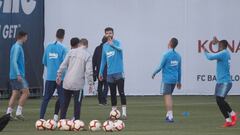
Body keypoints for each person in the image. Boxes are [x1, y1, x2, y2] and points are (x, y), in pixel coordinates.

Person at [56, 38, 94, 120]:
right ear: (86, 45)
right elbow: (89, 71)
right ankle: (76, 121)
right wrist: (91, 84)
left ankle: (62, 120)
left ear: (79, 44)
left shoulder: (71, 52)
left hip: (67, 82)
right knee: (77, 104)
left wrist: (59, 75)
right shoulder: (87, 55)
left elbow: (63, 64)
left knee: (65, 103)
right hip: (78, 83)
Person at [203, 37, 237, 127]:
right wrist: (218, 42)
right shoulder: (225, 53)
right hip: (221, 81)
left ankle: (231, 117)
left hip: (225, 81)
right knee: (219, 100)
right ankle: (230, 117)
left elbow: (210, 57)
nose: (217, 47)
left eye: (219, 45)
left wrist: (205, 50)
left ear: (222, 46)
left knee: (219, 99)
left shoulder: (223, 53)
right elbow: (221, 47)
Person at [99, 27, 127, 119]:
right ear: (105, 35)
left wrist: (113, 45)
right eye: (107, 33)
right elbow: (103, 60)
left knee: (121, 92)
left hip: (119, 72)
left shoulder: (117, 42)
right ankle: (113, 113)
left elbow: (120, 49)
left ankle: (124, 114)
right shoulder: (104, 46)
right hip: (110, 74)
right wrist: (100, 72)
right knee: (113, 93)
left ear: (113, 34)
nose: (109, 35)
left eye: (110, 33)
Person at [40, 29, 67, 121]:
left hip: (50, 77)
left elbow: (44, 62)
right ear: (63, 36)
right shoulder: (63, 48)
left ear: (56, 35)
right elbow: (65, 63)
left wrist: (52, 69)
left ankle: (41, 118)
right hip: (61, 77)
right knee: (62, 98)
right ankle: (61, 118)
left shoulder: (48, 47)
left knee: (46, 98)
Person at [152, 37, 181, 123]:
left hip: (167, 79)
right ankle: (168, 115)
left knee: (167, 96)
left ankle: (170, 116)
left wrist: (154, 73)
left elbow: (160, 66)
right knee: (169, 96)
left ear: (170, 43)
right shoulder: (178, 56)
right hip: (174, 79)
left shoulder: (166, 54)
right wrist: (179, 81)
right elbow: (179, 69)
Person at [6, 31, 30, 120]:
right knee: (26, 92)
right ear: (23, 37)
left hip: (13, 74)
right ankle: (18, 113)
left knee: (15, 93)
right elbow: (14, 61)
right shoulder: (17, 47)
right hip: (18, 75)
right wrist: (18, 74)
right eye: (26, 37)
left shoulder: (16, 46)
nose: (27, 38)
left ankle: (8, 114)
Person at [93, 36, 108, 105]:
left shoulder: (97, 48)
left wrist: (93, 71)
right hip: (107, 71)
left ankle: (100, 101)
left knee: (100, 85)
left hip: (99, 71)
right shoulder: (108, 48)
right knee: (106, 86)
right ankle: (104, 100)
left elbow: (94, 61)